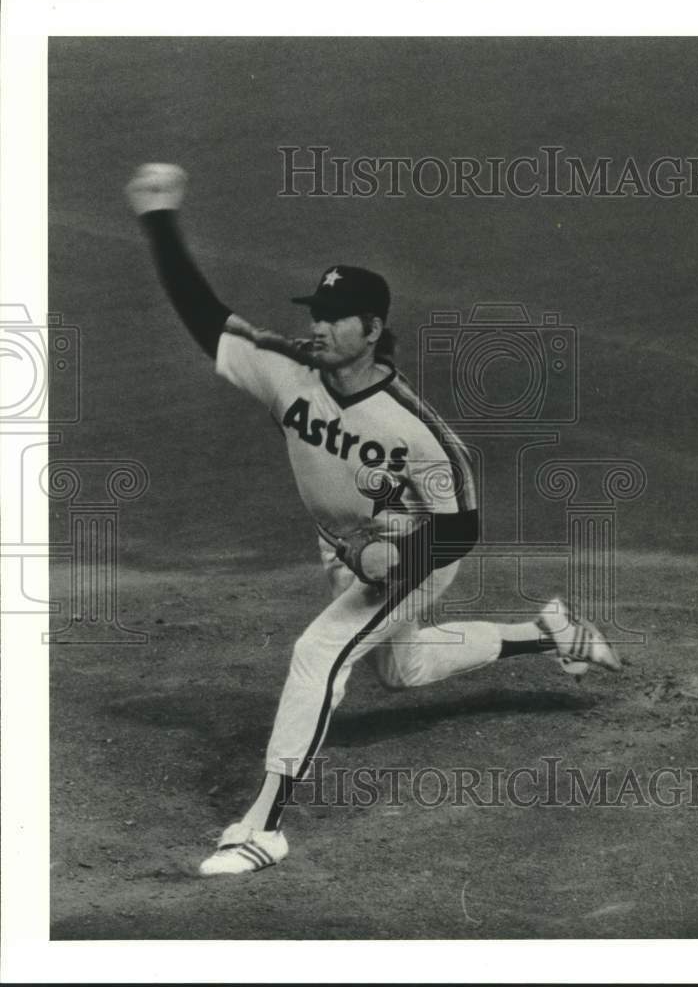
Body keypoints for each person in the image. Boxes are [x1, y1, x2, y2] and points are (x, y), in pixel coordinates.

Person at [126, 163, 621, 878]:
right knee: (403, 668)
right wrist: (158, 218)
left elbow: (460, 528)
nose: (317, 326)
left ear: (374, 329)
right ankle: (547, 634)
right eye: (315, 313)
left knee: (319, 651)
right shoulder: (288, 373)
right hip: (351, 554)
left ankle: (260, 826)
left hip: (413, 554)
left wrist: (393, 563)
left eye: (334, 317)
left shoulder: (418, 432)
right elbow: (207, 319)